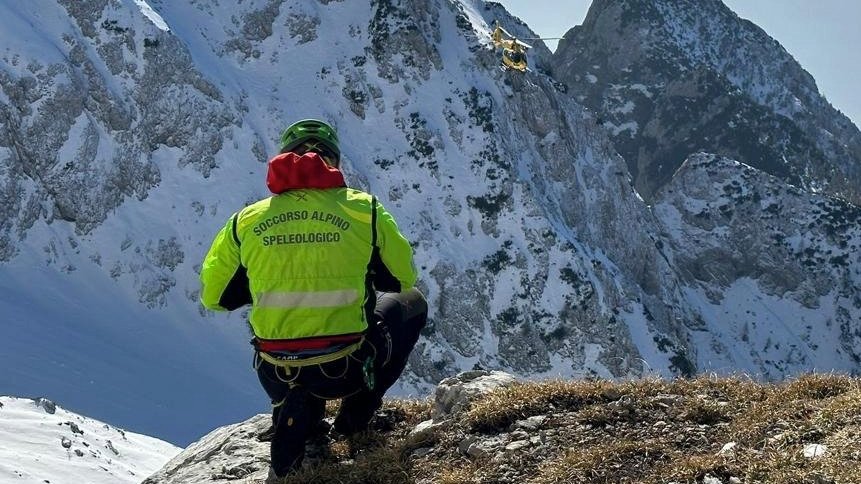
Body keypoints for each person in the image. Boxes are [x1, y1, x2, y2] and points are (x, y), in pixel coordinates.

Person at [199, 119, 427, 481]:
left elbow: (215, 298)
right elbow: (403, 279)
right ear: (333, 161)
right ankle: (353, 420)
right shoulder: (364, 210)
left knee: (290, 345)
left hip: (277, 372)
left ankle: (298, 417)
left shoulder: (245, 221)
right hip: (345, 368)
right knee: (411, 304)